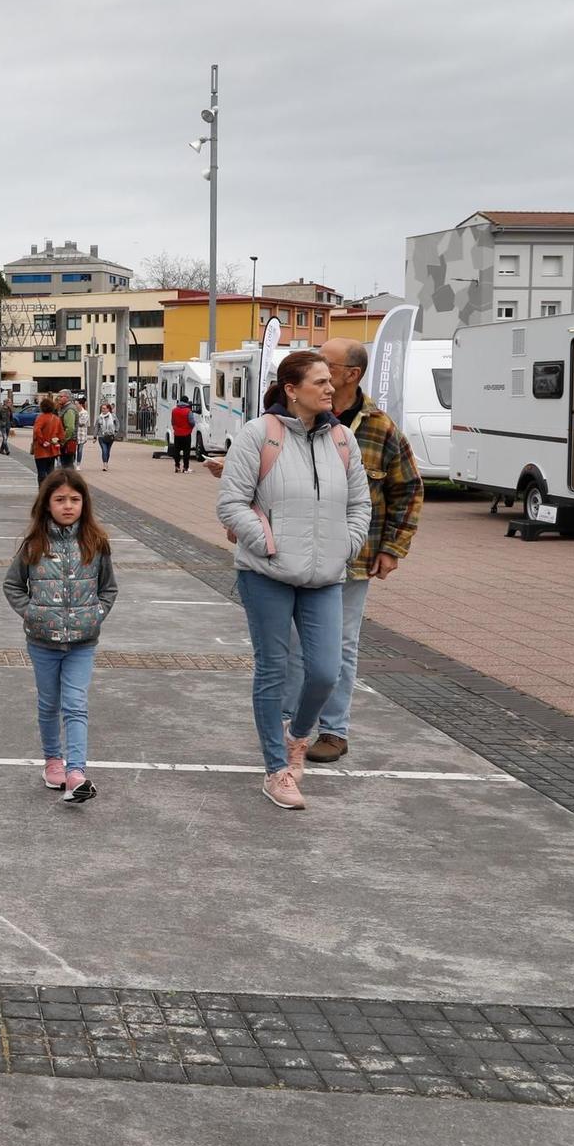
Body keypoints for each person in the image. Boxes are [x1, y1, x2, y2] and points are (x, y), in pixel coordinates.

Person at [216, 351, 371, 811]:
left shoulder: (342, 440)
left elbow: (360, 504)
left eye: (331, 382)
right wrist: (267, 542)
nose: (330, 388)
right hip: (267, 573)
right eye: (320, 382)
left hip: (325, 575)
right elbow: (231, 503)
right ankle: (276, 771)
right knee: (273, 669)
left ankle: (297, 737)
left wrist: (347, 544)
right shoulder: (259, 435)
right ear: (291, 389)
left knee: (325, 670)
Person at [278, 339, 422, 763]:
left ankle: (333, 731)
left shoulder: (380, 428)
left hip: (352, 560)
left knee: (340, 645)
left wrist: (394, 547)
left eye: (328, 362)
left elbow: (409, 489)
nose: (319, 367)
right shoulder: (293, 418)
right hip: (293, 554)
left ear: (350, 375)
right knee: (292, 643)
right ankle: (288, 725)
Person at [3, 468, 118, 805]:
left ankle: (76, 772)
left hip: (83, 643)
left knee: (75, 704)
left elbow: (108, 588)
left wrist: (96, 614)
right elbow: (12, 584)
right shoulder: (34, 545)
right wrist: (32, 612)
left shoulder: (96, 542)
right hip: (42, 642)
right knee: (49, 703)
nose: (68, 505)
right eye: (60, 499)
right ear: (47, 504)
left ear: (85, 503)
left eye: (75, 499)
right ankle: (53, 761)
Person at [29, 402, 66, 481]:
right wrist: (57, 442)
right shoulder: (57, 419)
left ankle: (42, 490)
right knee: (50, 472)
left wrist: (42, 441)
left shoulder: (40, 418)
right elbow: (62, 435)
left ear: (42, 408)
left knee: (41, 473)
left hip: (41, 450)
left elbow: (37, 431)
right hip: (53, 450)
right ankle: (49, 490)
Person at [169, 396, 195, 472]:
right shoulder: (188, 411)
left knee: (177, 450)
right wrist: (190, 427)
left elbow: (172, 422)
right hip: (186, 434)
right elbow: (192, 422)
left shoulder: (174, 410)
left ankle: (177, 466)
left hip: (177, 434)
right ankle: (185, 467)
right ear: (187, 402)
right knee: (186, 451)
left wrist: (176, 428)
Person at [57, 391, 81, 470]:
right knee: (66, 465)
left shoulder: (69, 409)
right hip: (67, 441)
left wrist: (63, 440)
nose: (59, 398)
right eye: (59, 396)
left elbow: (70, 428)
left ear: (67, 398)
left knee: (67, 466)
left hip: (68, 442)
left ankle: (70, 481)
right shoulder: (64, 408)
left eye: (61, 396)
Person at [96, 402, 119, 471]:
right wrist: (94, 436)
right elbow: (96, 427)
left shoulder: (113, 416)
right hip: (101, 436)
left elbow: (117, 424)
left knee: (108, 451)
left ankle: (106, 463)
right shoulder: (99, 417)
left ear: (108, 409)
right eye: (102, 408)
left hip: (110, 436)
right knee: (104, 450)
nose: (103, 410)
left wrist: (116, 432)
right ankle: (105, 464)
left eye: (104, 408)